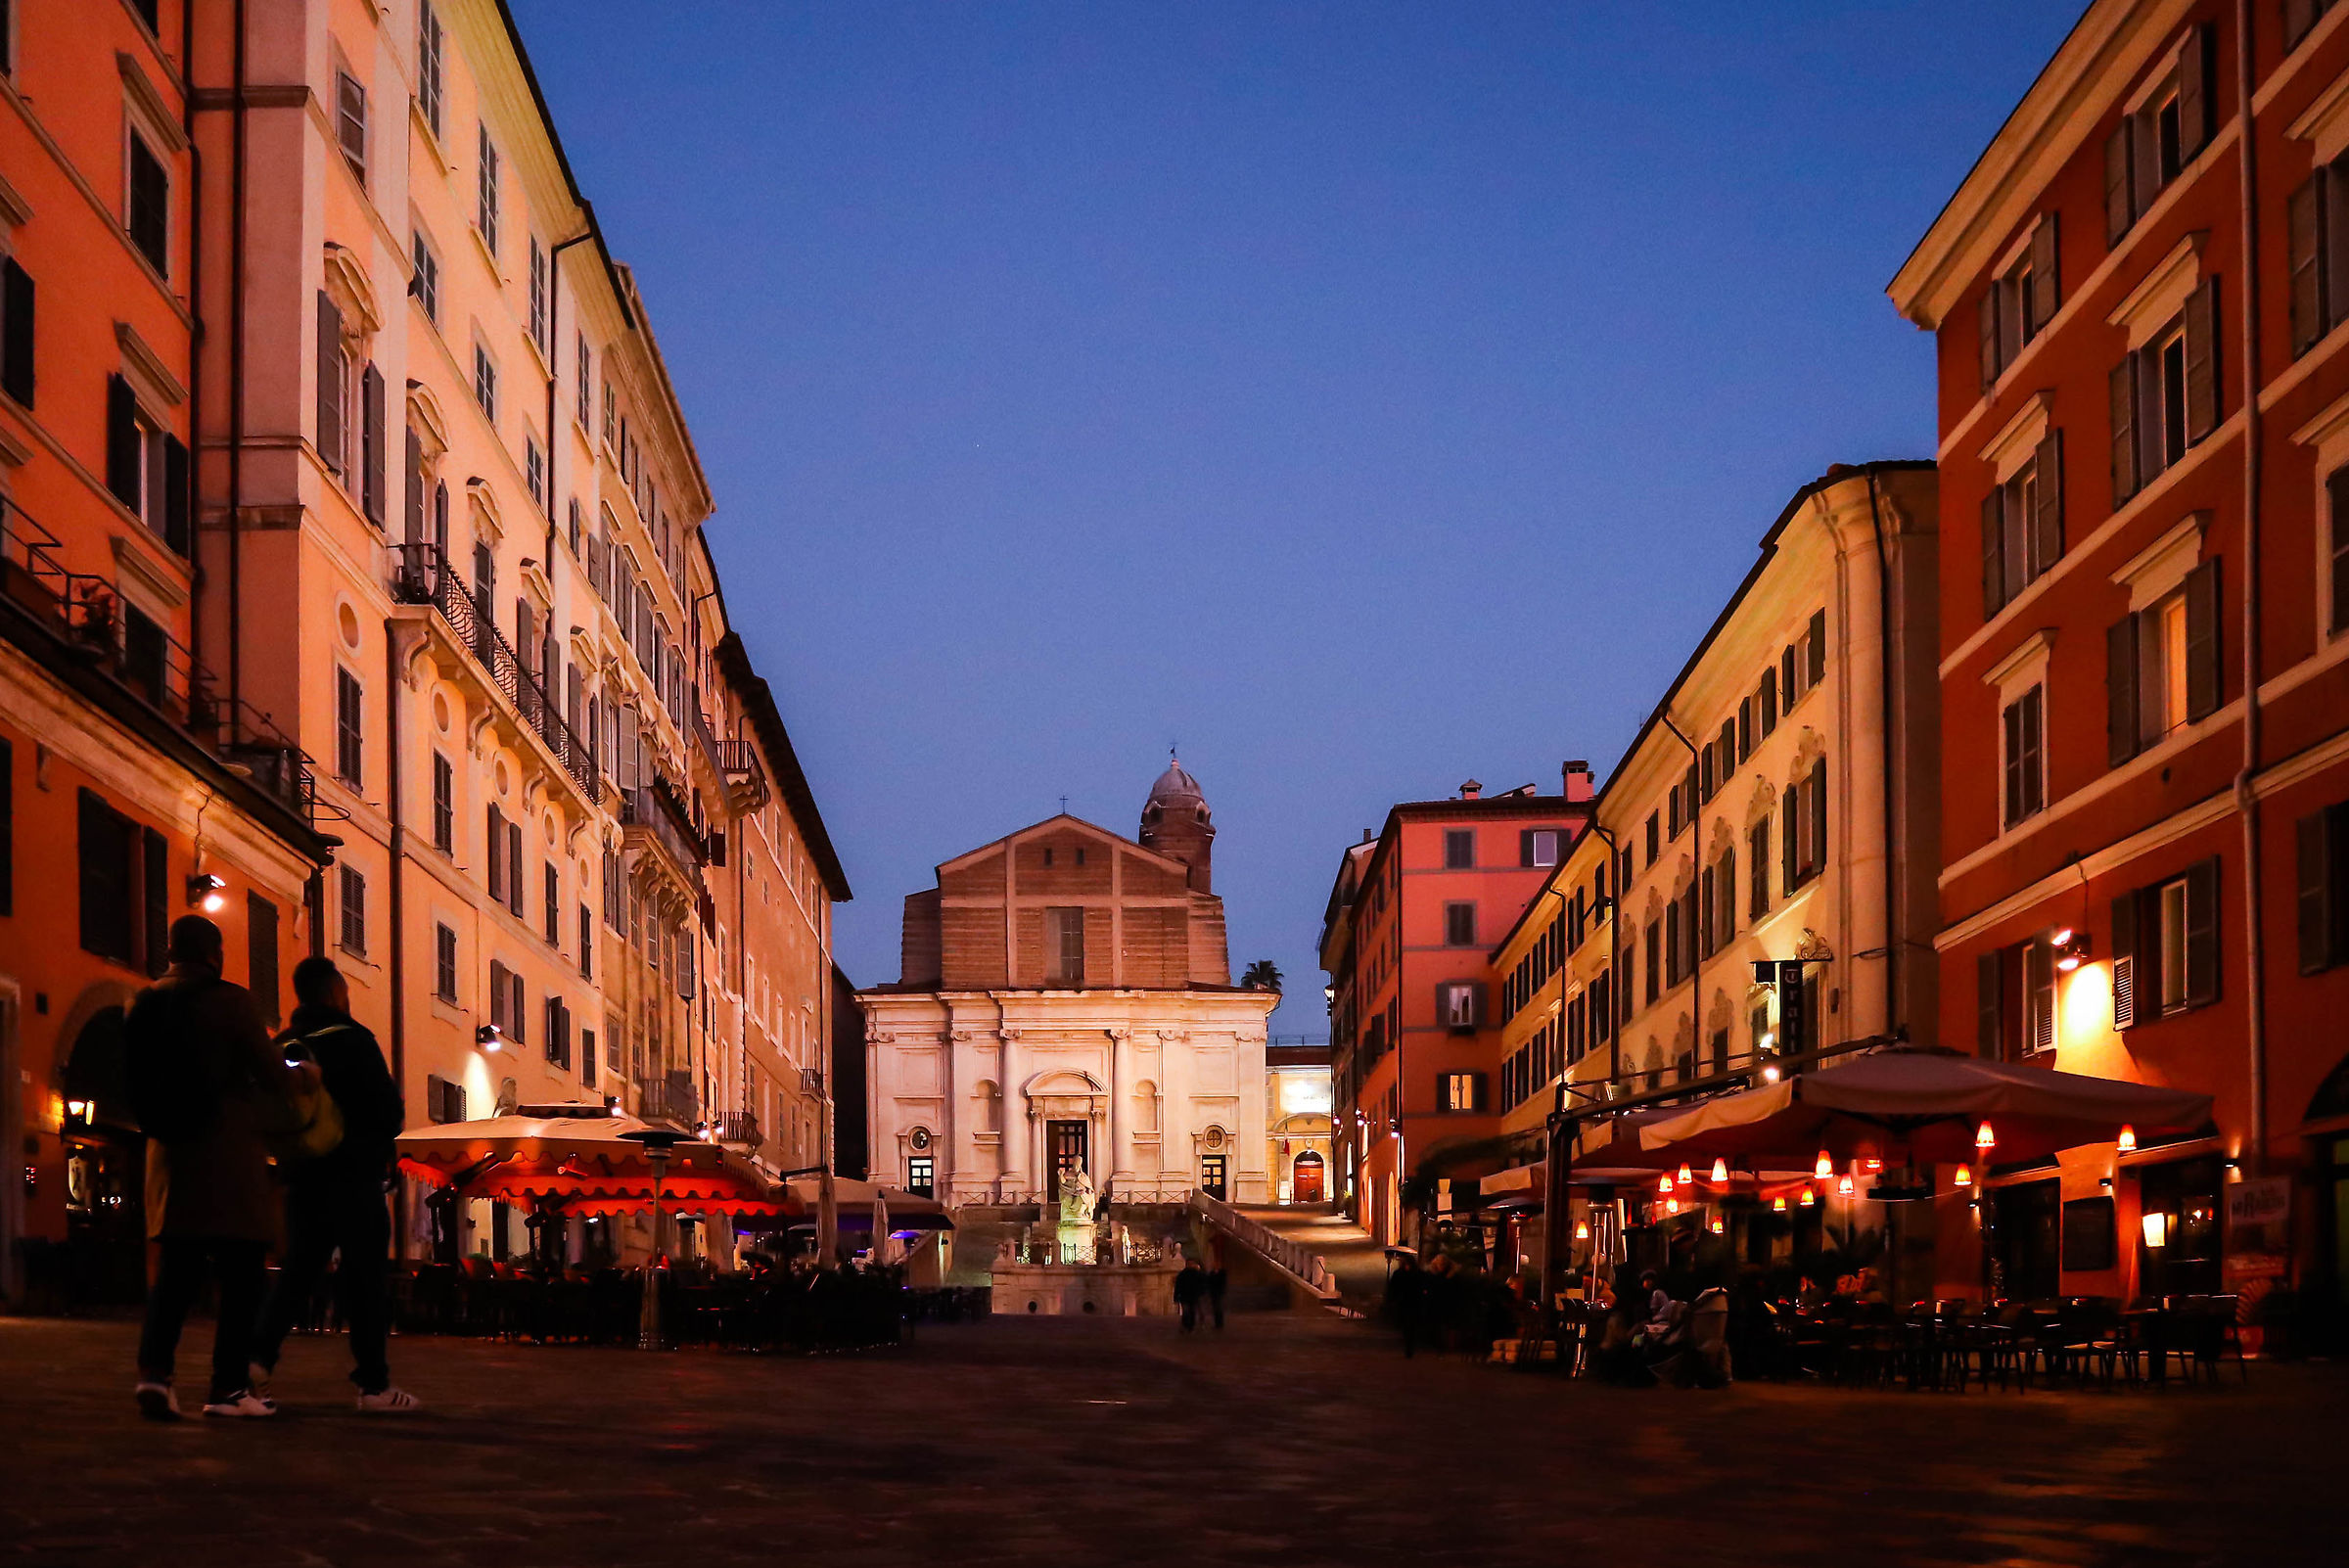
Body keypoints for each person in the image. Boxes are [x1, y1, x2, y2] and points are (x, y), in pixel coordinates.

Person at [125, 915, 291, 1419]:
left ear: (171, 951)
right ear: (214, 954)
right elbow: (271, 1074)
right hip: (227, 1157)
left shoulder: (142, 1001)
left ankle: (155, 1377)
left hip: (169, 1159)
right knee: (243, 1276)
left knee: (174, 1277)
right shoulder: (233, 1001)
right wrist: (299, 1075)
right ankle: (228, 1387)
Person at [249, 957, 420, 1412]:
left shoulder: (285, 1044)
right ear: (333, 993)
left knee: (296, 1278)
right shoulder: (354, 1040)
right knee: (366, 1283)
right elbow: (387, 1111)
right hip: (354, 1178)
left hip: (301, 1177)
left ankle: (257, 1363)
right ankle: (374, 1386)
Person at [1385, 1254, 1426, 1358]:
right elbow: (1393, 1288)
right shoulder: (1399, 1274)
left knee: (1412, 1325)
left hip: (1414, 1302)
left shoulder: (1418, 1274)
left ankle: (1410, 1347)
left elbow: (1423, 1286)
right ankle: (1408, 1345)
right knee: (1406, 1325)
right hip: (1403, 1303)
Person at [1174, 1257, 1207, 1331]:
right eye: (1189, 1264)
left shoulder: (1197, 1273)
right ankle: (1185, 1325)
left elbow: (1203, 1282)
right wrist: (1176, 1296)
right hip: (1185, 1296)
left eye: (1192, 1264)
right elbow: (1178, 1285)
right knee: (1186, 1311)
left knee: (1192, 1311)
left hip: (1194, 1296)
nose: (1190, 1265)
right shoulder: (1182, 1274)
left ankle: (1190, 1326)